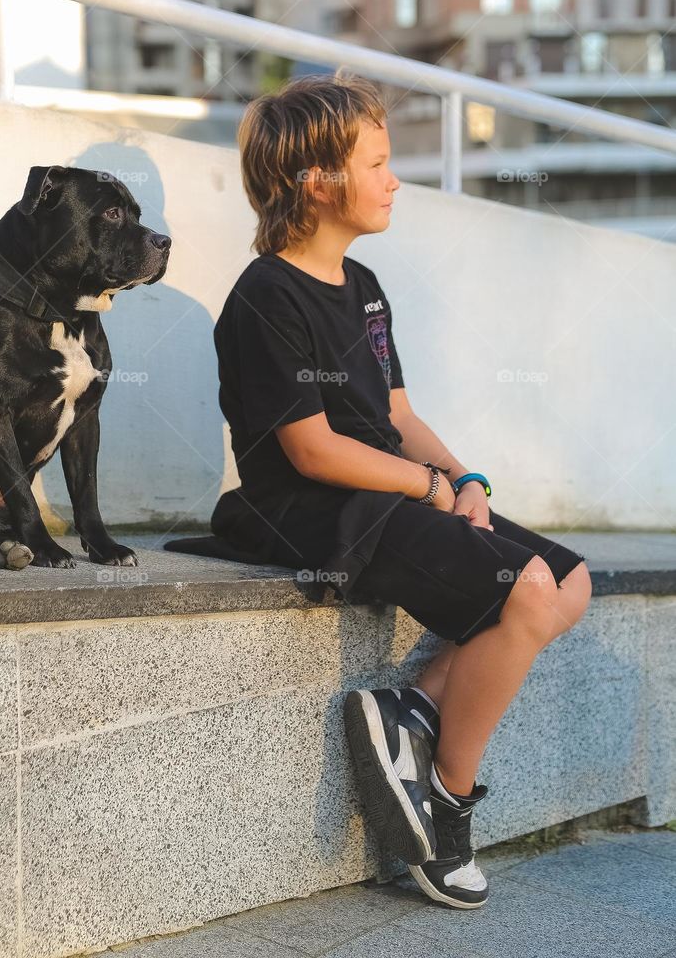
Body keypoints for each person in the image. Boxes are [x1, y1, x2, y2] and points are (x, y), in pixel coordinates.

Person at [168, 72, 592, 910]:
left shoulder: (362, 289)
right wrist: (428, 488)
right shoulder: (266, 295)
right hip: (309, 509)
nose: (394, 179)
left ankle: (411, 707)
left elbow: (394, 413)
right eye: (378, 163)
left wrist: (463, 479)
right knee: (525, 593)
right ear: (316, 182)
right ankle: (446, 802)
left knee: (567, 580)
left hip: (394, 492)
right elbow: (314, 449)